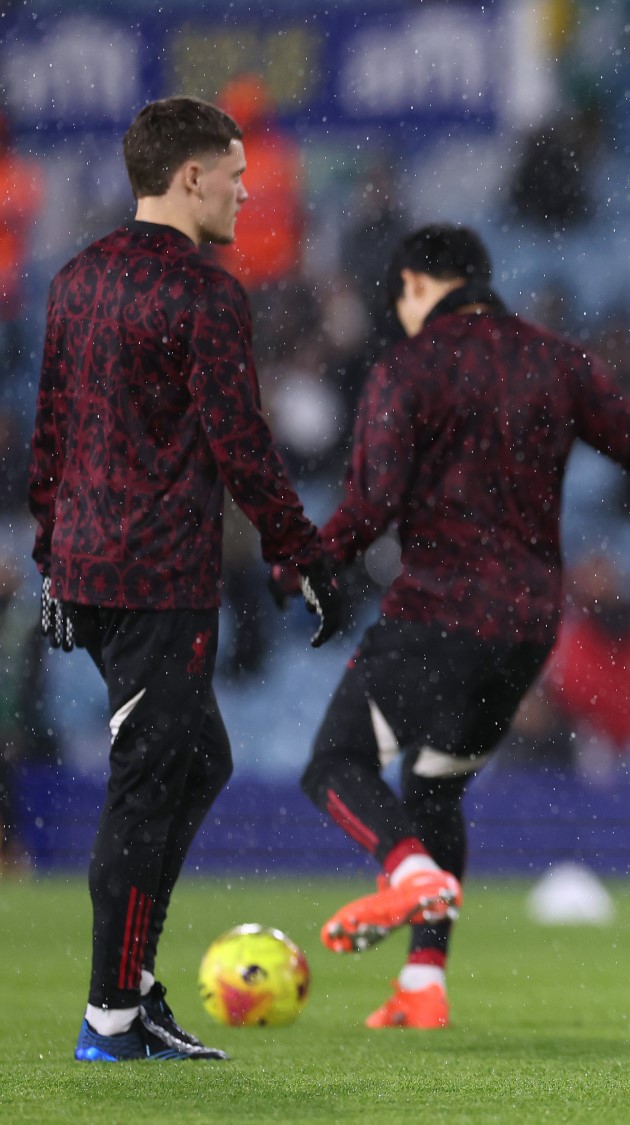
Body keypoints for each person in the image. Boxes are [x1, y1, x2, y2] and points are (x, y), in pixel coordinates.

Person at [292, 225, 630, 1029]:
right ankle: (423, 983)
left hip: (440, 606)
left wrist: (304, 561)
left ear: (419, 286)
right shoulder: (554, 360)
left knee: (335, 764)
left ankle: (405, 871)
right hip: (527, 625)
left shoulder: (406, 366)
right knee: (435, 784)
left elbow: (369, 504)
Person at [29, 96, 351, 1062]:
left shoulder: (77, 279)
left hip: (90, 570)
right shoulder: (206, 293)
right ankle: (112, 1017)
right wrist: (300, 550)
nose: (250, 191)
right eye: (237, 173)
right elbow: (242, 445)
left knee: (194, 758)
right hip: (158, 572)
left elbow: (49, 434)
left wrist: (52, 558)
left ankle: (128, 991)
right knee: (151, 779)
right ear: (191, 176)